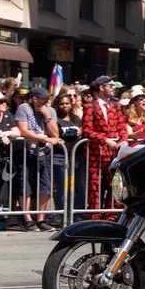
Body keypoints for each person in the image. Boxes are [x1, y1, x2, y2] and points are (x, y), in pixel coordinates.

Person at [14, 87, 62, 232]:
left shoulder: (50, 110)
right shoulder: (24, 108)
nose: (46, 101)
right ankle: (27, 219)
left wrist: (47, 116)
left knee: (45, 186)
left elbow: (55, 134)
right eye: (43, 98)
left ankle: (40, 219)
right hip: (26, 151)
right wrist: (44, 138)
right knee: (25, 185)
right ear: (34, 99)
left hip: (43, 153)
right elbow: (24, 131)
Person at [82, 75, 128, 221]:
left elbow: (122, 126)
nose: (114, 88)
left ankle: (111, 215)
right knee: (95, 186)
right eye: (110, 85)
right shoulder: (90, 106)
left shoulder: (116, 106)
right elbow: (87, 130)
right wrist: (105, 139)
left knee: (114, 184)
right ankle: (95, 216)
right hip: (96, 155)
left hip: (113, 154)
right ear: (101, 87)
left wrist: (124, 140)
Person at [0, 91, 20, 233]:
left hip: (3, 159)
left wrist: (7, 133)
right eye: (0, 102)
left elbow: (17, 132)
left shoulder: (7, 116)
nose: (4, 104)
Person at [51, 93, 85, 221]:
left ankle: (77, 215)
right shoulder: (56, 120)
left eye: (67, 103)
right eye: (61, 104)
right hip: (60, 156)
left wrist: (74, 145)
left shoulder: (75, 118)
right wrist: (67, 146)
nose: (64, 106)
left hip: (77, 157)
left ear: (71, 104)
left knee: (78, 186)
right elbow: (55, 136)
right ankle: (63, 215)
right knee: (63, 187)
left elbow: (81, 133)